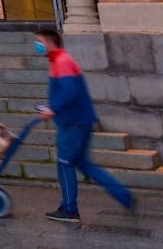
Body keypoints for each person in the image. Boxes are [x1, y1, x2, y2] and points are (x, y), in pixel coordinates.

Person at [35, 26, 132, 223]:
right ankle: (124, 196)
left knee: (64, 164)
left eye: (40, 42)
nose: (37, 45)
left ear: (50, 42)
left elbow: (69, 92)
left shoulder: (61, 62)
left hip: (73, 124)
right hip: (79, 121)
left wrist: (52, 109)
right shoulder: (58, 60)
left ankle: (70, 209)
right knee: (84, 165)